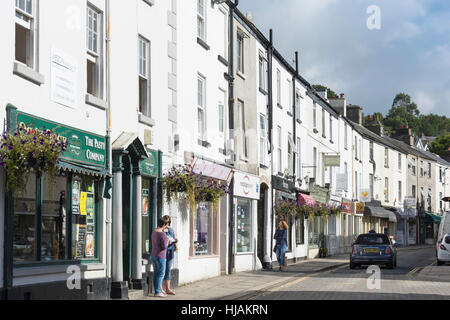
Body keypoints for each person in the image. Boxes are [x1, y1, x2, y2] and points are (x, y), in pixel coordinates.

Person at [151, 218, 169, 298]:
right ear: (164, 225)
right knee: (161, 274)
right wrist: (168, 242)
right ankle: (158, 292)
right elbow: (164, 247)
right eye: (166, 225)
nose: (166, 226)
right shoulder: (163, 234)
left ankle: (156, 291)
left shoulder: (154, 232)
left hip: (153, 255)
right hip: (161, 256)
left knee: (156, 274)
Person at [161, 215, 178, 295]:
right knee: (161, 271)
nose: (167, 224)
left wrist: (175, 241)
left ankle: (168, 289)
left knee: (168, 270)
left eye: (168, 222)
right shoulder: (161, 230)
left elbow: (173, 239)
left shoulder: (171, 230)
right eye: (166, 222)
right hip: (163, 252)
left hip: (170, 252)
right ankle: (160, 289)